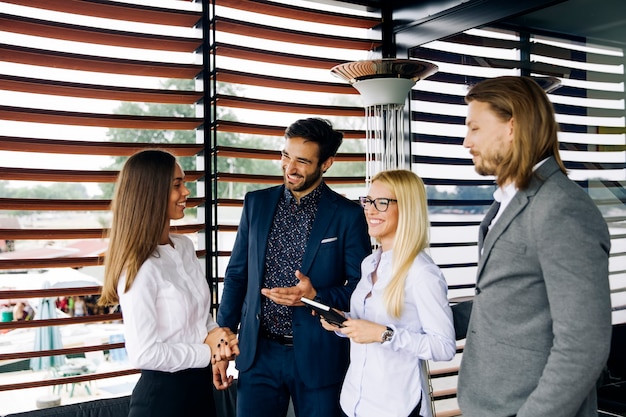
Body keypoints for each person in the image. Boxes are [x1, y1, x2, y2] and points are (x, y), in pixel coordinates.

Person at [457, 75, 612, 417]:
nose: (467, 142)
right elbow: (513, 302)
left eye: (475, 128)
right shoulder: (504, 205)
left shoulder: (561, 208)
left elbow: (584, 345)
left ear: (512, 127)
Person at [216, 117, 372, 417]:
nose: (290, 168)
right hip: (258, 354)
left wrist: (314, 295)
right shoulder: (255, 204)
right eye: (285, 156)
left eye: (302, 161)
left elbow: (360, 289)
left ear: (326, 163)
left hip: (318, 356)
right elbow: (237, 276)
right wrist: (222, 346)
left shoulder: (348, 215)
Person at [98, 149, 239, 417]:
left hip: (200, 392)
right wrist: (206, 353)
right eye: (177, 185)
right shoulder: (139, 267)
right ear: (151, 192)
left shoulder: (184, 247)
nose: (186, 192)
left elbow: (199, 318)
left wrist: (219, 344)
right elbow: (144, 353)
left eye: (184, 182)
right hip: (162, 402)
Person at [320, 169, 456, 417]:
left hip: (396, 407)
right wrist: (343, 323)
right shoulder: (370, 263)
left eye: (381, 203)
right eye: (368, 201)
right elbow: (368, 322)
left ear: (407, 208)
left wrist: (384, 334)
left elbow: (444, 347)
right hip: (353, 402)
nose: (370, 210)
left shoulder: (422, 273)